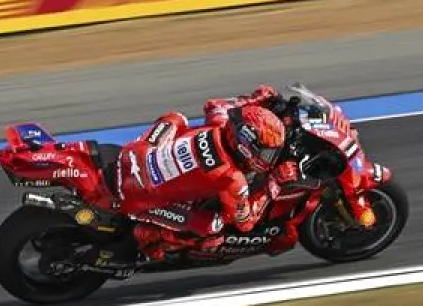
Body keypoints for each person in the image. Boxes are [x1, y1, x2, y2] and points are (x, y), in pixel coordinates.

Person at [114, 84, 303, 261]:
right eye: (266, 152)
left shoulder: (219, 124)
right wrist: (273, 185)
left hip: (133, 156)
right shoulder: (232, 179)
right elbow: (244, 223)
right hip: (138, 197)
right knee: (214, 225)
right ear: (246, 145)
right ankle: (153, 238)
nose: (269, 158)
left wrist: (255, 98)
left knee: (176, 118)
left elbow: (215, 105)